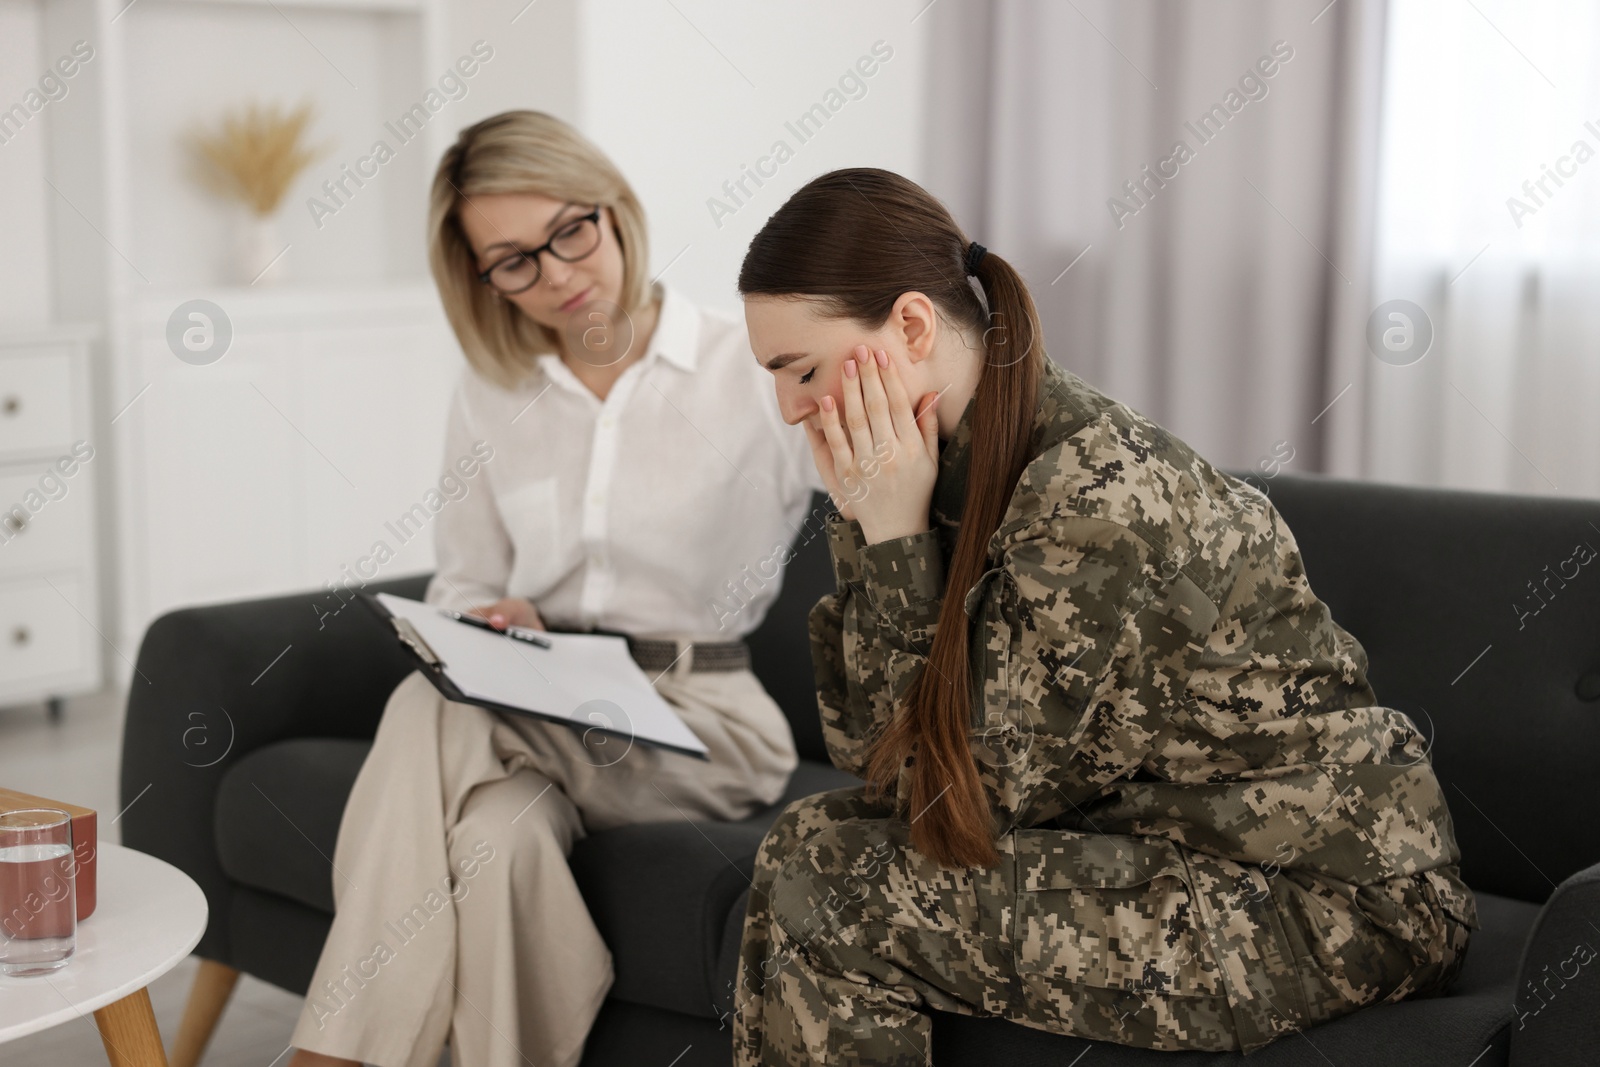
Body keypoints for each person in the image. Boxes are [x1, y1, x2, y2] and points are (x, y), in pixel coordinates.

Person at [731, 167, 1476, 1063]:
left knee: (832, 886)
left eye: (801, 369)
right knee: (806, 835)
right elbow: (874, 758)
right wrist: (871, 522)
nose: (787, 408)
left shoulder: (1095, 490)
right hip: (1157, 845)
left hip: (1323, 896)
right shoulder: (933, 470)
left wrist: (888, 538)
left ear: (913, 325)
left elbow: (957, 805)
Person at [285, 110, 820, 1067]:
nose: (559, 274)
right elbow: (468, 577)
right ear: (480, 276)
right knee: (501, 838)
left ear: (613, 211)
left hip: (702, 717)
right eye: (514, 261)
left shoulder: (746, 367)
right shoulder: (490, 391)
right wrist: (492, 617)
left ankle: (335, 1054)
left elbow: (879, 499)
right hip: (539, 692)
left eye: (570, 232)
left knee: (426, 708)